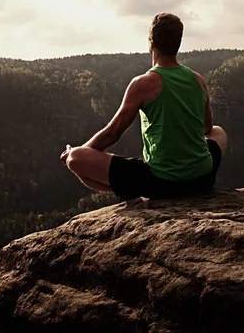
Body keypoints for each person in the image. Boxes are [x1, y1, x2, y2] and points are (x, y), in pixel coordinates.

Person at [60, 12, 227, 200]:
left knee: (76, 160)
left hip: (163, 182)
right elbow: (207, 128)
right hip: (203, 178)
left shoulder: (143, 84)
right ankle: (183, 172)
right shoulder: (198, 80)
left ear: (151, 42)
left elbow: (112, 133)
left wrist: (79, 152)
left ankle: (136, 190)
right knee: (219, 132)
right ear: (178, 43)